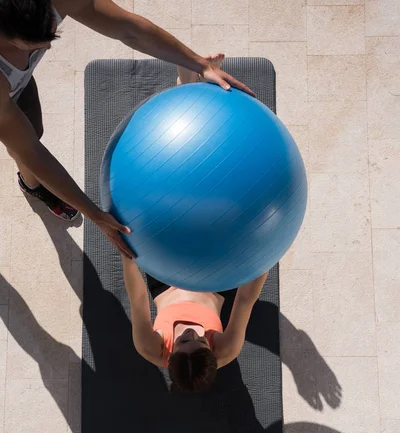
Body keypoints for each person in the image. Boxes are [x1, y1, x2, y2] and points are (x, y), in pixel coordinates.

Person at [0, 0, 254, 257]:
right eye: (35, 42)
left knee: (32, 131)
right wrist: (95, 214)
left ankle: (29, 182)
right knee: (21, 143)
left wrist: (201, 64)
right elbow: (32, 151)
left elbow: (129, 29)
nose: (47, 46)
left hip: (13, 85)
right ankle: (33, 186)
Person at [119, 57, 269, 394]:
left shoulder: (149, 347)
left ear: (169, 356)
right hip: (217, 278)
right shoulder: (226, 350)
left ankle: (185, 85)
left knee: (179, 186)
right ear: (210, 354)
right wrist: (265, 251)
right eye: (197, 344)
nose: (189, 337)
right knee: (211, 191)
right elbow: (245, 300)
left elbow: (138, 297)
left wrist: (126, 252)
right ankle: (191, 89)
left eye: (181, 345)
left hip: (165, 274)